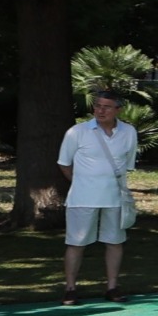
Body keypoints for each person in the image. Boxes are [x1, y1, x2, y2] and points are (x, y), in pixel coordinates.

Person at [57, 89, 139, 304]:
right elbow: (64, 164)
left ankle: (112, 287)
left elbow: (127, 164)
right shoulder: (77, 131)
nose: (100, 110)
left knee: (115, 241)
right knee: (76, 242)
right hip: (82, 198)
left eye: (106, 107)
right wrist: (82, 183)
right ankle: (70, 289)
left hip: (115, 197)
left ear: (118, 110)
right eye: (97, 106)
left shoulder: (129, 132)